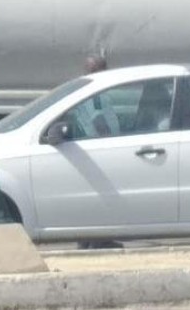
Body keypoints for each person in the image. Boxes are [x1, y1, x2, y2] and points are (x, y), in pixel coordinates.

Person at [77, 55, 124, 251]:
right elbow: (99, 120)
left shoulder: (84, 89)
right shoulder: (96, 92)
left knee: (94, 194)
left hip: (90, 147)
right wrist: (111, 144)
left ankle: (87, 238)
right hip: (101, 148)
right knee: (105, 195)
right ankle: (99, 239)